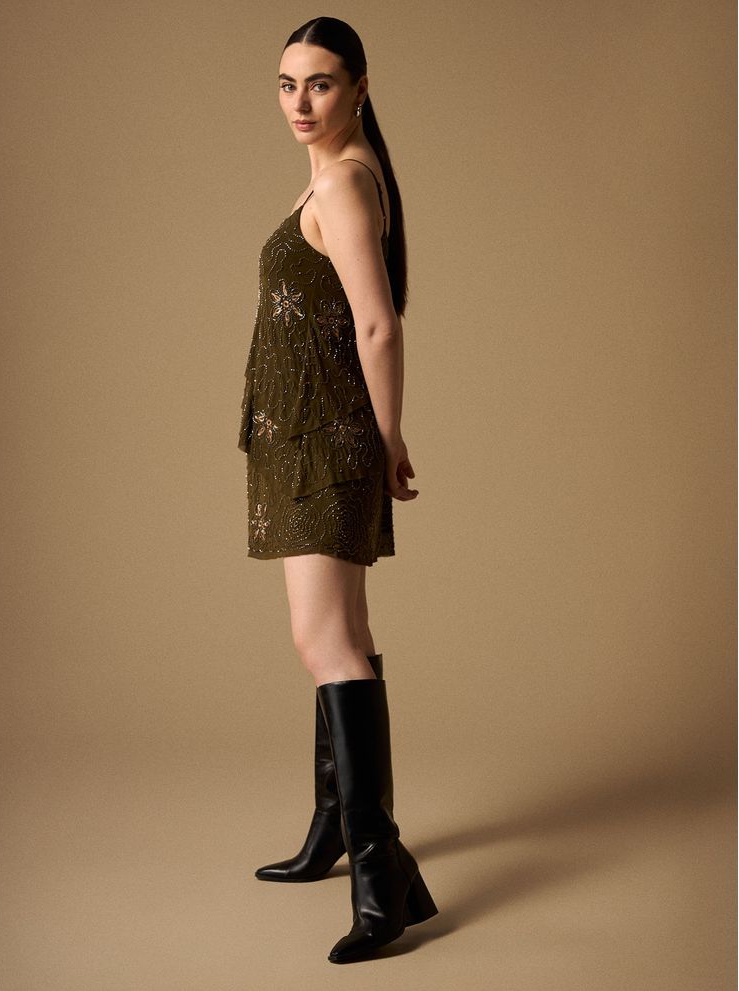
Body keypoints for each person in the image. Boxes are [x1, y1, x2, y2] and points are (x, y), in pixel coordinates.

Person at [237, 17, 438, 964]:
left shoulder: (346, 182)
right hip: (304, 440)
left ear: (360, 87)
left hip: (327, 443)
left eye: (319, 83)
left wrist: (389, 437)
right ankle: (337, 832)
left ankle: (380, 873)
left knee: (327, 643)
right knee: (341, 638)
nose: (300, 102)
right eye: (287, 84)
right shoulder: (335, 175)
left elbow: (378, 324)